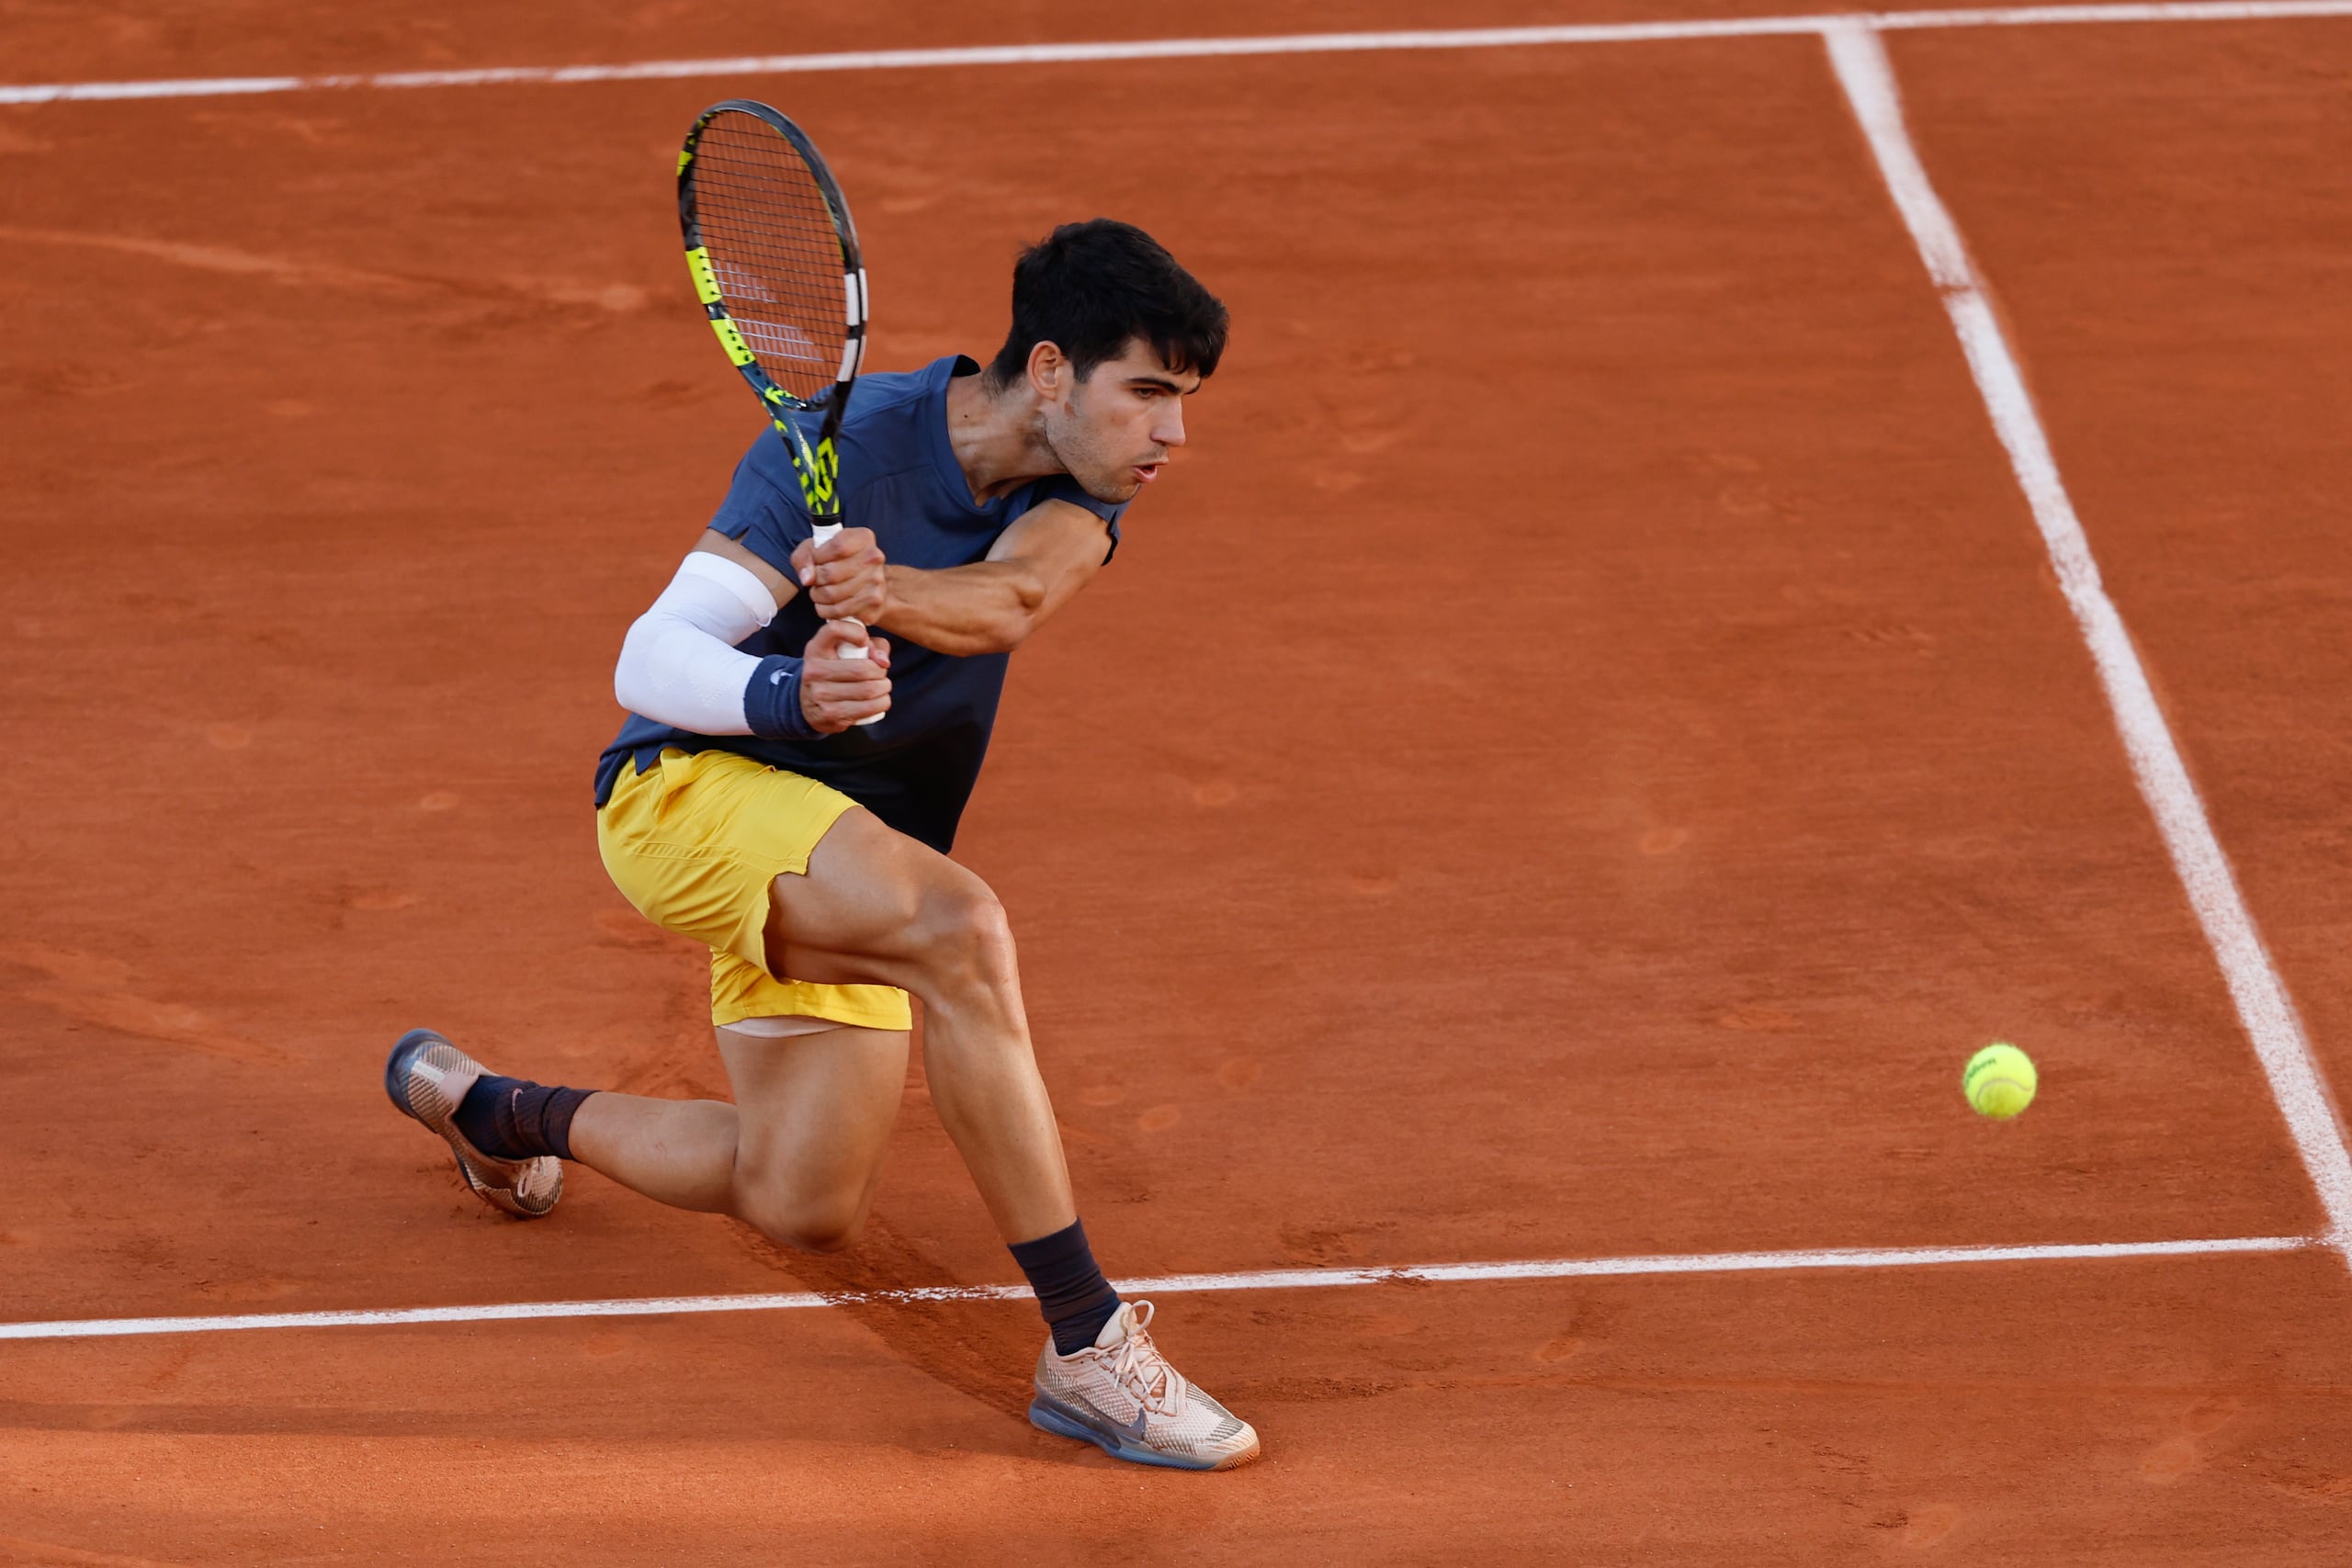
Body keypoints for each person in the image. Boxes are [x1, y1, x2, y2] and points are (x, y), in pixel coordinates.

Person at [382, 218, 1258, 1472]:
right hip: (686, 797)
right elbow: (651, 658)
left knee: (799, 1197)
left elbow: (1010, 600)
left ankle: (496, 1113)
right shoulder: (838, 446)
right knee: (962, 933)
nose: (1175, 433)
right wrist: (789, 695)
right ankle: (1085, 1341)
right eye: (1151, 394)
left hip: (849, 850)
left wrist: (879, 588)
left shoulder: (1082, 494)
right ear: (1055, 372)